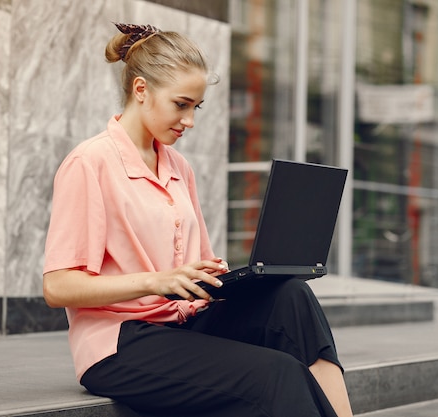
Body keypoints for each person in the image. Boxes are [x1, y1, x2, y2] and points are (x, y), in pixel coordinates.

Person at [42, 22, 354, 417]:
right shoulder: (90, 163)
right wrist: (158, 282)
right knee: (277, 373)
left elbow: (196, 265)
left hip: (186, 324)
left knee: (292, 297)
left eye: (196, 107)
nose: (190, 120)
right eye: (181, 104)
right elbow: (58, 286)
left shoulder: (178, 167)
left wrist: (228, 279)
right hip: (120, 344)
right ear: (141, 91)